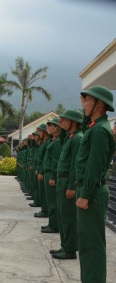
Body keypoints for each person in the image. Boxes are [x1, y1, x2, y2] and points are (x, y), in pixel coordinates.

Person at [65, 86, 115, 283]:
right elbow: (86, 124)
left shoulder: (101, 131)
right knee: (85, 239)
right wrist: (86, 103)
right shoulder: (95, 127)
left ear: (100, 104)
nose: (83, 104)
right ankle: (87, 281)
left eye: (88, 100)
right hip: (90, 190)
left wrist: (85, 194)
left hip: (92, 191)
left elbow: (94, 166)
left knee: (93, 242)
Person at [52, 109, 83, 260]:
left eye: (65, 120)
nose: (62, 122)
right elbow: (62, 140)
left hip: (68, 180)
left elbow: (75, 165)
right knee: (62, 215)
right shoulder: (70, 137)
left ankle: (70, 249)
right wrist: (62, 129)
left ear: (74, 122)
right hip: (62, 179)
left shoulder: (77, 139)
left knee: (69, 217)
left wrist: (72, 186)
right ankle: (65, 246)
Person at [41, 118, 62, 234]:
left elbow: (56, 161)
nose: (47, 128)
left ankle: (54, 225)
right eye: (47, 126)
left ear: (57, 127)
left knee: (53, 201)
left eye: (50, 126)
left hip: (51, 172)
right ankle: (52, 223)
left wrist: (53, 176)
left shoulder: (57, 142)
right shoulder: (53, 141)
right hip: (48, 171)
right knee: (50, 200)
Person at [34, 124, 51, 218]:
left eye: (40, 132)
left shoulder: (48, 142)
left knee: (45, 193)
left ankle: (45, 210)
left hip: (45, 170)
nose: (38, 134)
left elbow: (45, 159)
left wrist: (41, 171)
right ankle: (43, 209)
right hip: (41, 168)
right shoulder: (44, 143)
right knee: (42, 191)